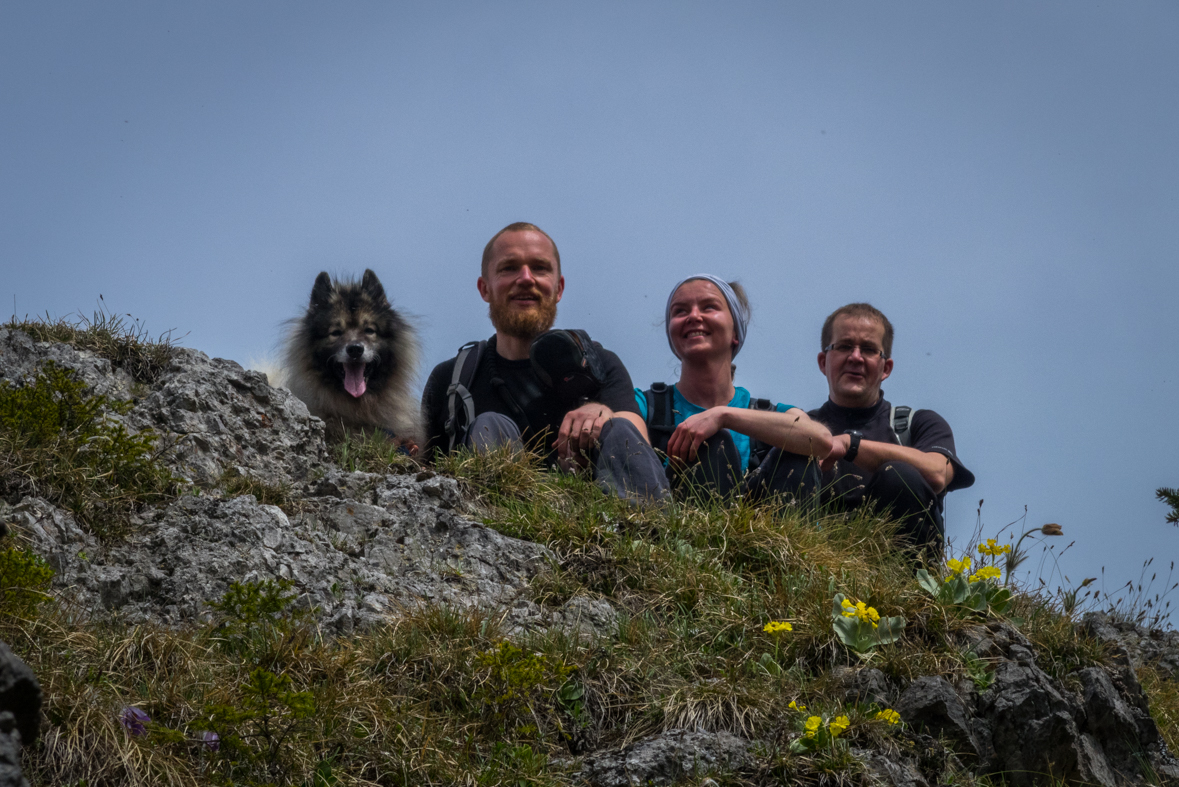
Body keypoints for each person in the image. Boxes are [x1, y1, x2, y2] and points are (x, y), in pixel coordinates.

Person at [420, 222, 668, 502]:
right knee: (489, 426)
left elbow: (635, 441)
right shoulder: (452, 379)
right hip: (488, 535)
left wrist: (602, 413)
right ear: (484, 288)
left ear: (559, 288)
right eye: (509, 268)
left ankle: (644, 535)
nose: (526, 278)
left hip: (599, 529)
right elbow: (422, 473)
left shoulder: (599, 364)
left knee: (618, 426)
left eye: (539, 268)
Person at [636, 275, 833, 497]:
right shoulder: (645, 406)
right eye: (680, 311)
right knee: (712, 445)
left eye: (709, 307)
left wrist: (722, 416)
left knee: (798, 452)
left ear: (736, 333)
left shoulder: (768, 414)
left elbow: (821, 441)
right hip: (675, 529)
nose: (693, 316)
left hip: (767, 530)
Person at [809, 302, 975, 554]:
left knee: (899, 475)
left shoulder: (918, 424)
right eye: (844, 346)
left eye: (868, 349)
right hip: (816, 575)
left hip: (902, 581)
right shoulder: (802, 430)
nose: (855, 357)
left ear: (886, 367)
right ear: (823, 361)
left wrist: (850, 445)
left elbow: (937, 473)